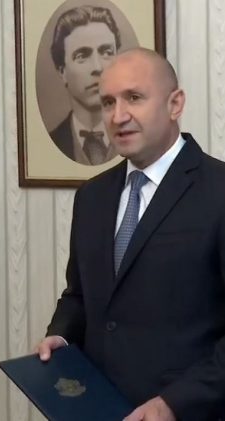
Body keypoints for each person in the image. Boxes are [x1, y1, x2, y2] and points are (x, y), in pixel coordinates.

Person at [36, 48, 225, 420]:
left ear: (175, 104)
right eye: (108, 102)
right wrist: (61, 335)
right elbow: (79, 296)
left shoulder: (218, 191)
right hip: (97, 408)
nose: (118, 116)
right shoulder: (92, 197)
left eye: (134, 98)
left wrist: (175, 403)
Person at [48, 5, 121, 165]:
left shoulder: (142, 140)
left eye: (107, 53)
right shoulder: (51, 142)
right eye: (82, 56)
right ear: (62, 71)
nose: (98, 67)